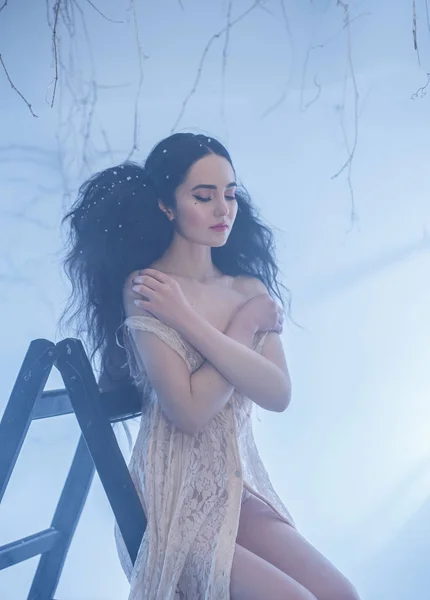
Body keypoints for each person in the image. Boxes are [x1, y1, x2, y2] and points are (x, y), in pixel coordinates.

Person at [60, 133, 360, 600]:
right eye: (204, 196)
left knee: (344, 596)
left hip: (236, 494)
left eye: (230, 194)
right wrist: (231, 327)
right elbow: (191, 413)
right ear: (166, 205)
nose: (223, 210)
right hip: (172, 502)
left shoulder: (246, 285)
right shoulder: (150, 288)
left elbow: (277, 394)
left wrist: (216, 322)